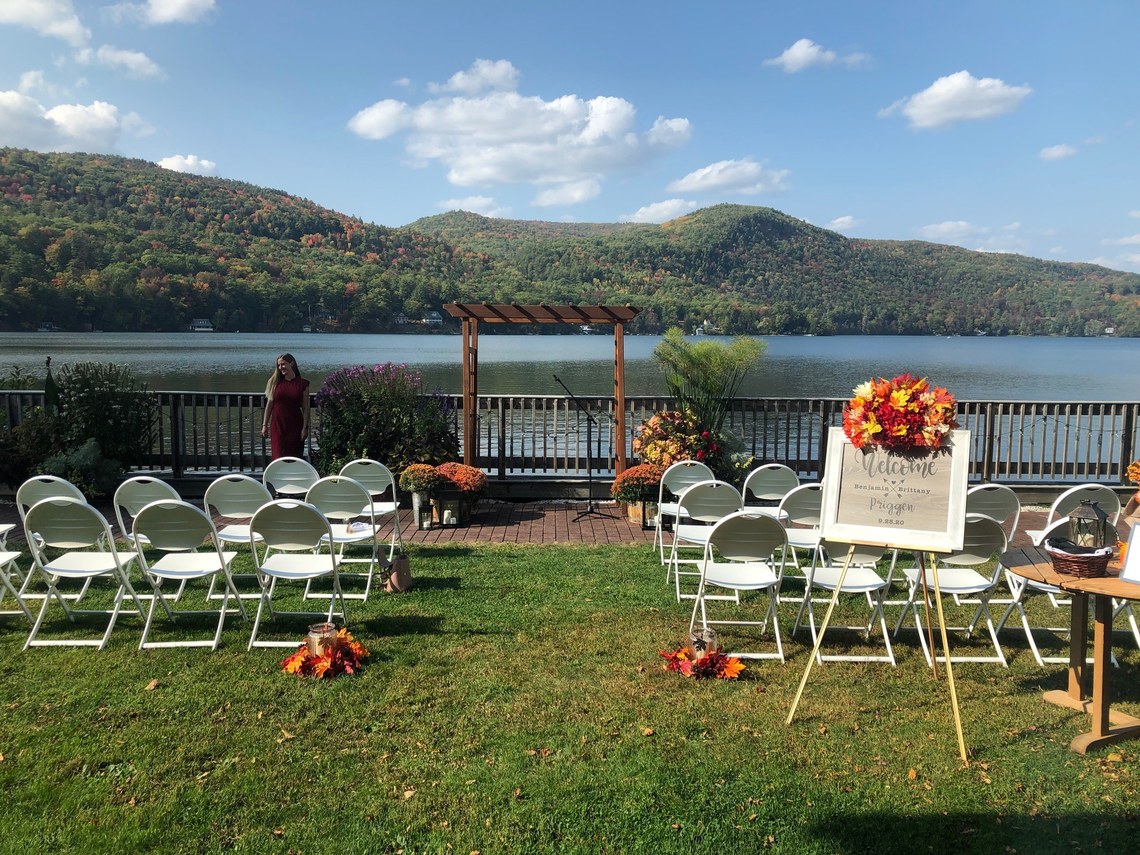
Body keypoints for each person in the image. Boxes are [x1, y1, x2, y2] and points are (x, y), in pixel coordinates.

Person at [261, 353, 310, 460]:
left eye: (283, 364)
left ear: (291, 364)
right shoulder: (274, 383)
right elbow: (269, 405)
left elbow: (306, 408)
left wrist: (305, 428)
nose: (280, 367)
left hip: (295, 425)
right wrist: (264, 425)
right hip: (278, 425)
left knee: (295, 457)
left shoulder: (303, 384)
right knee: (278, 456)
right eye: (278, 365)